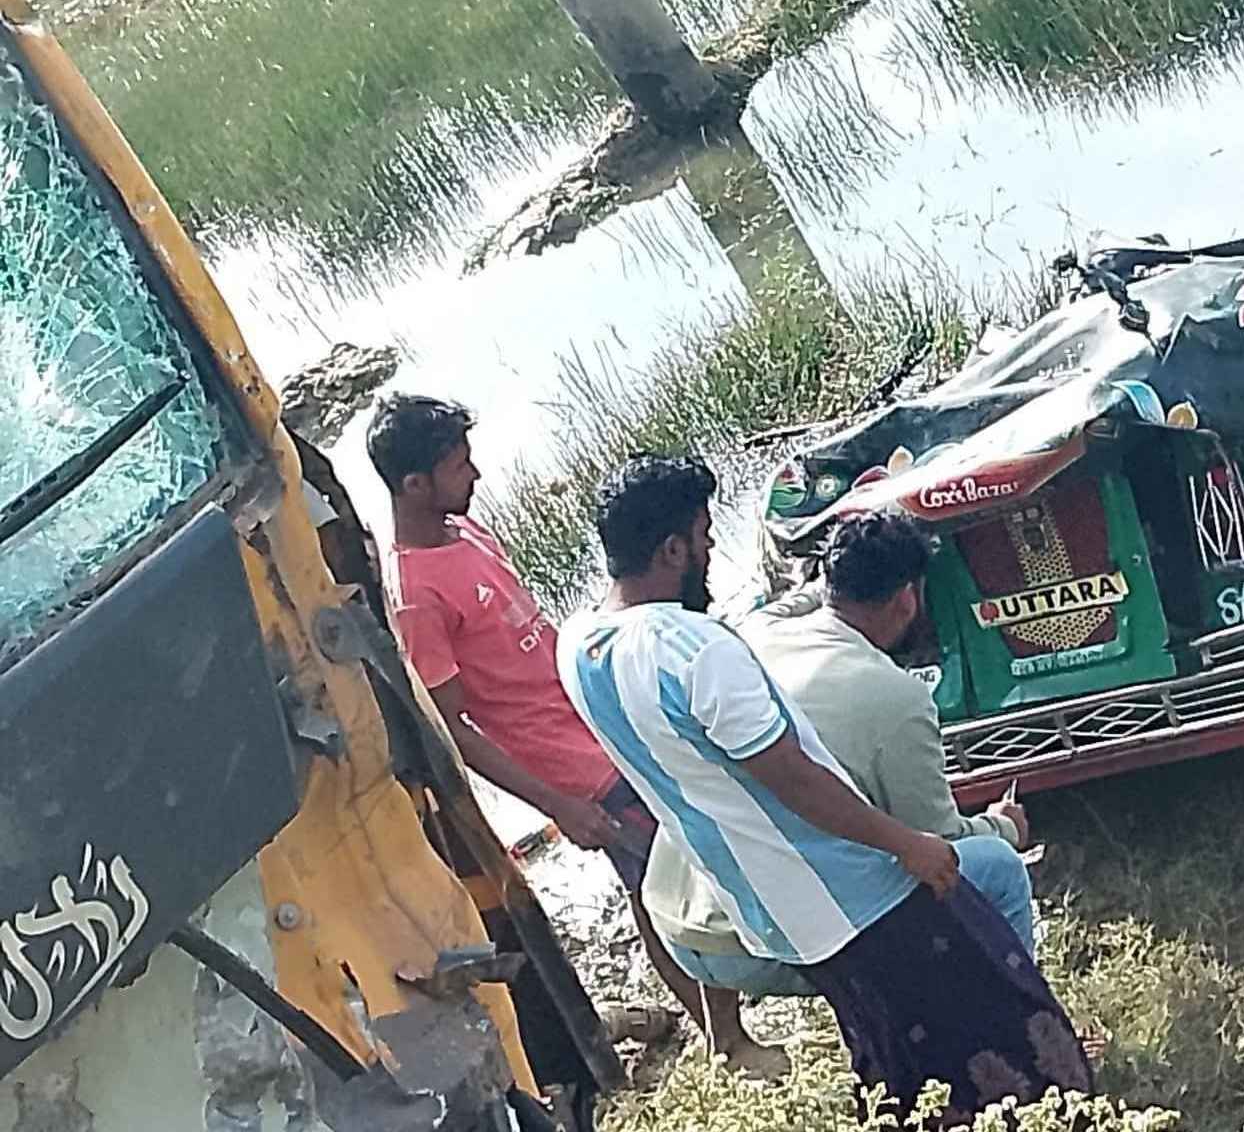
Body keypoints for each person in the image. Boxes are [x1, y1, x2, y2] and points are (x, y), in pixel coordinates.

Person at [557, 456, 1091, 1120]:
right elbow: (794, 781)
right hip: (837, 901)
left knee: (888, 1042)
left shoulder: (579, 644)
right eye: (703, 537)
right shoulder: (697, 649)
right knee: (977, 1017)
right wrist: (908, 845)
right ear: (672, 550)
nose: (712, 549)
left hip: (738, 905)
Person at [363, 395, 785, 1078]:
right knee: (664, 894)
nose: (476, 475)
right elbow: (454, 731)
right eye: (458, 466)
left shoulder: (464, 532)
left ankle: (733, 1013)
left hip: (604, 720)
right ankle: (729, 1041)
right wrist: (558, 806)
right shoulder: (415, 595)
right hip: (575, 770)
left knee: (694, 867)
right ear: (414, 485)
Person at [641, 510, 1036, 999]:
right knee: (996, 866)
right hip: (761, 942)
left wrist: (842, 566)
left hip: (681, 923)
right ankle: (1023, 1022)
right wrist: (1003, 826)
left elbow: (798, 602)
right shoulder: (898, 698)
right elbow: (936, 845)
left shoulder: (754, 631)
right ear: (908, 599)